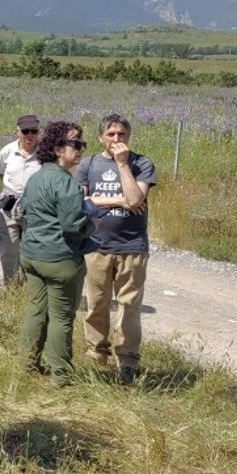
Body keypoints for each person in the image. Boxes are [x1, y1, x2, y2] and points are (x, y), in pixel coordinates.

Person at [76, 114, 156, 385]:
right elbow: (82, 201)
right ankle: (96, 355)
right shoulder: (88, 164)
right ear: (101, 137)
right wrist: (120, 200)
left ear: (128, 136)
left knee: (129, 306)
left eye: (121, 134)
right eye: (110, 134)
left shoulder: (142, 163)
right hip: (96, 245)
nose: (116, 139)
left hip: (132, 245)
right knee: (96, 304)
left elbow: (135, 199)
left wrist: (122, 165)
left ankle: (128, 361)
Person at [18, 121, 96, 385]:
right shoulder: (66, 183)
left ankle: (26, 363)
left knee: (37, 310)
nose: (81, 149)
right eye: (76, 144)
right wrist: (93, 223)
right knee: (61, 317)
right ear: (57, 148)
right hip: (60, 258)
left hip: (32, 255)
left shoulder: (36, 178)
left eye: (82, 144)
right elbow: (73, 226)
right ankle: (61, 374)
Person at [0, 115, 43, 285]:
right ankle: (12, 289)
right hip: (9, 206)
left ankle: (31, 289)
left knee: (34, 250)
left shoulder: (45, 153)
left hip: (36, 207)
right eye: (25, 131)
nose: (30, 135)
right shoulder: (7, 151)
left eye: (34, 131)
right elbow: (1, 174)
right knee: (9, 251)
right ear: (18, 132)